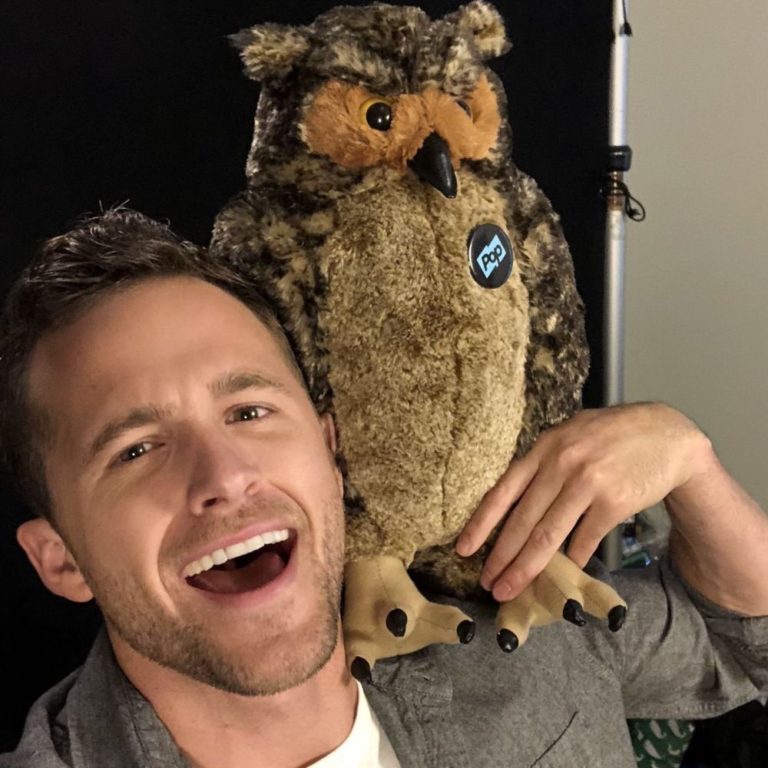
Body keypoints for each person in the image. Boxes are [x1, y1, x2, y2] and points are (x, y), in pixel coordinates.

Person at [0, 209, 766, 768]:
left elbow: (742, 644)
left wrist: (689, 458)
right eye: (136, 450)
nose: (225, 475)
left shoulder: (517, 625)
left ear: (330, 451)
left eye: (250, 411)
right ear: (60, 558)